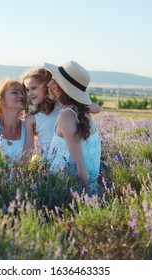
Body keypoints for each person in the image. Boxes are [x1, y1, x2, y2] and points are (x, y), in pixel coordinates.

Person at [44, 60, 101, 195]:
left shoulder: (67, 117)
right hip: (71, 187)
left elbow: (79, 165)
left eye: (53, 80)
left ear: (61, 88)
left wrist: (91, 196)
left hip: (63, 190)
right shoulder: (82, 112)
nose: (48, 84)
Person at [22, 67, 100, 160]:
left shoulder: (62, 105)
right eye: (27, 90)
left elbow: (96, 108)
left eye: (33, 88)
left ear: (46, 86)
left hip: (70, 160)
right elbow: (28, 148)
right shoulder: (31, 118)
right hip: (49, 165)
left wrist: (74, 106)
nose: (30, 94)